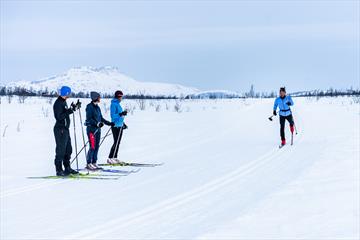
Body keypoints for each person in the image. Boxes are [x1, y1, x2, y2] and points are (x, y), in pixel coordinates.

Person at [53, 86, 81, 176]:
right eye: (68, 93)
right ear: (65, 93)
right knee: (61, 150)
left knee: (68, 149)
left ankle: (67, 168)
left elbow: (65, 112)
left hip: (65, 129)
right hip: (60, 129)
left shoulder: (63, 101)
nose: (69, 95)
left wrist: (73, 108)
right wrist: (70, 111)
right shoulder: (58, 103)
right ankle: (59, 170)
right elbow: (59, 117)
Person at [85, 91, 114, 170]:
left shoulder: (97, 107)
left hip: (98, 130)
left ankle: (94, 162)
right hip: (91, 130)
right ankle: (89, 163)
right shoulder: (89, 107)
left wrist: (109, 123)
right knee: (92, 146)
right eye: (99, 97)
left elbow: (101, 118)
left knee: (97, 146)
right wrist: (97, 123)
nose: (100, 98)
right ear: (95, 98)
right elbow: (89, 119)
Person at [107, 90, 128, 164]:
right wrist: (120, 114)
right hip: (115, 126)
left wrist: (123, 123)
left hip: (120, 125)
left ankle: (115, 157)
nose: (121, 98)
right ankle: (110, 157)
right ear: (118, 96)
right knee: (116, 142)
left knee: (118, 142)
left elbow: (120, 116)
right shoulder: (114, 104)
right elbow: (113, 116)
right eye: (120, 96)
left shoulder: (118, 104)